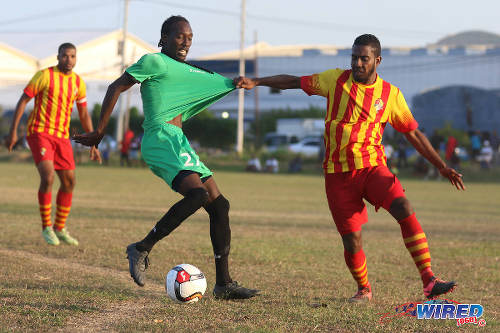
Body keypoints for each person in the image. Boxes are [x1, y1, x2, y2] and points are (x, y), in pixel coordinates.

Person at [235, 34, 465, 302]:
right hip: (337, 175)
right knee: (352, 240)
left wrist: (441, 166)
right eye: (354, 57)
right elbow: (294, 82)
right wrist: (258, 81)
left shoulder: (391, 95)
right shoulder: (335, 80)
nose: (357, 63)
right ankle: (363, 289)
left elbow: (413, 134)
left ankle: (429, 279)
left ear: (377, 61)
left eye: (363, 59)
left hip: (372, 168)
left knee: (404, 207)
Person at [74, 16, 258, 300]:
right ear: (164, 37)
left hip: (178, 141)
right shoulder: (154, 62)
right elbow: (115, 87)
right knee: (197, 196)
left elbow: (206, 80)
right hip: (160, 139)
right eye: (179, 36)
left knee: (220, 206)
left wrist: (233, 83)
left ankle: (224, 285)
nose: (185, 42)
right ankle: (142, 247)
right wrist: (99, 131)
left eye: (189, 37)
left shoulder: (184, 69)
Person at [5, 43, 101, 246]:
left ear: (76, 59)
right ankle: (46, 227)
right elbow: (23, 101)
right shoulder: (44, 76)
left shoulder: (77, 82)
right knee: (48, 176)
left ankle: (60, 227)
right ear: (58, 57)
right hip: (39, 133)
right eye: (65, 56)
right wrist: (13, 131)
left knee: (69, 182)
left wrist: (93, 142)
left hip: (61, 136)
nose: (69, 59)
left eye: (72, 56)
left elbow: (83, 114)